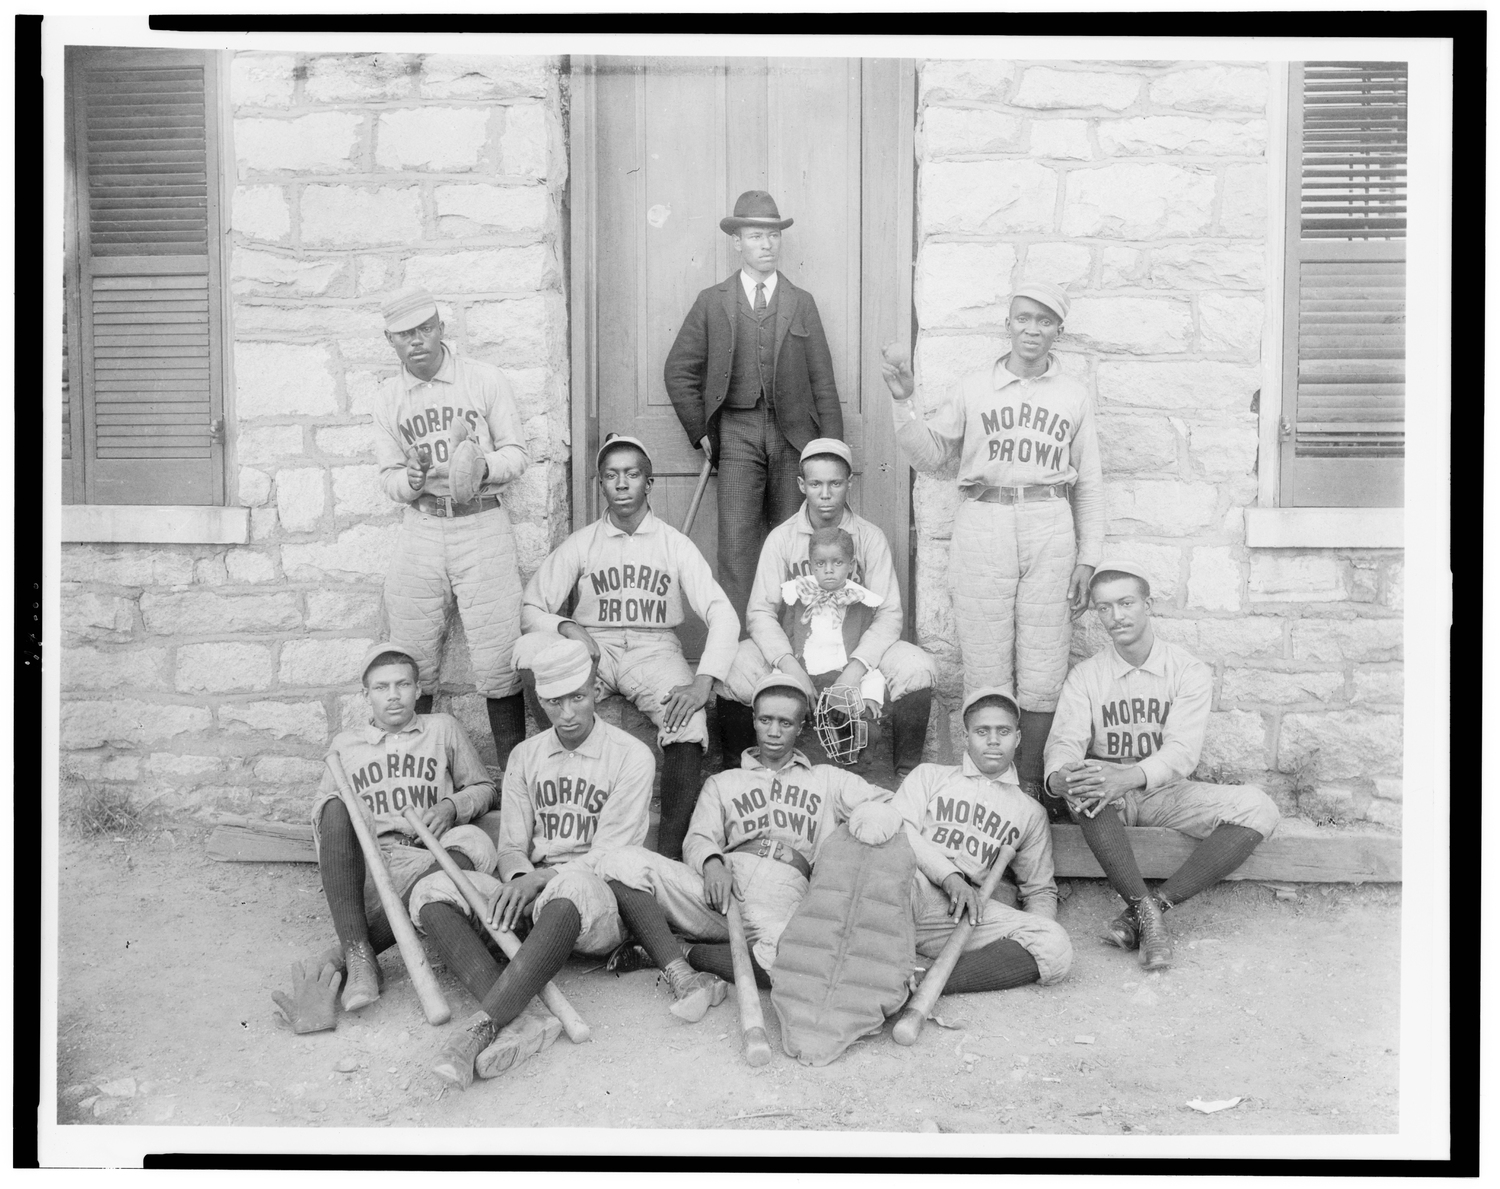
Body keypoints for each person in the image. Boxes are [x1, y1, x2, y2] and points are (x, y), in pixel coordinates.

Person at [879, 281, 1103, 798]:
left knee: (1045, 665)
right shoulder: (974, 385)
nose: (1032, 329)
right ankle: (985, 787)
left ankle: (1032, 790)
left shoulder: (1072, 395)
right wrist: (903, 402)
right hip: (984, 519)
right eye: (1023, 318)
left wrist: (1088, 559)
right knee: (985, 661)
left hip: (1049, 520)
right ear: (1008, 323)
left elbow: (1088, 484)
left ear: (1059, 332)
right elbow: (934, 460)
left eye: (1045, 321)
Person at [406, 637, 653, 1088]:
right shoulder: (526, 755)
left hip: (594, 904)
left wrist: (540, 879)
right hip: (533, 897)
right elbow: (512, 846)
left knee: (571, 886)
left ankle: (481, 1028)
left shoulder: (632, 756)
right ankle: (525, 1016)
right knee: (433, 889)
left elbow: (611, 856)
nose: (568, 713)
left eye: (578, 697)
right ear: (541, 700)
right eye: (554, 702)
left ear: (596, 688)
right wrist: (518, 879)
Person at [593, 671, 894, 1009]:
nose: (774, 731)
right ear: (754, 720)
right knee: (621, 861)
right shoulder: (724, 782)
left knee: (800, 961)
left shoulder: (828, 780)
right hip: (719, 891)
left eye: (785, 722)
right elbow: (698, 838)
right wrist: (711, 862)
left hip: (783, 896)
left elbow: (884, 805)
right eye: (766, 720)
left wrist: (856, 837)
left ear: (801, 726)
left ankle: (683, 952)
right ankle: (675, 968)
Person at [1044, 562, 1281, 971]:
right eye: (1104, 608)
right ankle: (1147, 916)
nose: (1116, 616)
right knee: (1084, 785)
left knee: (1259, 807)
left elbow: (1182, 753)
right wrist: (1061, 777)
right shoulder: (1087, 676)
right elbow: (1064, 743)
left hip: (1164, 792)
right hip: (1106, 797)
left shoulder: (1185, 669)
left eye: (1126, 603)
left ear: (1147, 604)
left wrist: (1129, 777)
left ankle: (1151, 908)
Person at [513, 434, 739, 861]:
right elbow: (530, 608)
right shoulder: (583, 542)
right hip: (593, 646)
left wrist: (702, 683)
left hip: (654, 650)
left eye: (632, 475)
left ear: (649, 483)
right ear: (601, 484)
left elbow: (722, 613)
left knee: (687, 724)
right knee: (527, 650)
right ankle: (559, 760)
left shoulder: (674, 543)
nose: (621, 483)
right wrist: (567, 627)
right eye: (612, 475)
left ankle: (669, 856)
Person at [273, 643, 498, 1032]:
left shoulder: (441, 728)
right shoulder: (346, 744)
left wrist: (450, 806)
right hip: (371, 866)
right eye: (381, 688)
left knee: (476, 841)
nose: (393, 695)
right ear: (366, 694)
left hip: (430, 861)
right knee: (335, 804)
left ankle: (353, 956)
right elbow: (322, 820)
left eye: (402, 684)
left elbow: (483, 787)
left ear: (417, 689)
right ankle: (359, 952)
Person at [664, 190, 844, 626]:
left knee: (794, 546)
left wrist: (832, 453)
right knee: (737, 547)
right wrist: (702, 431)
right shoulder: (713, 301)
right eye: (755, 235)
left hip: (792, 437)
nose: (766, 244)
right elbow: (678, 370)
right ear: (737, 242)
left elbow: (823, 381)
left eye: (773, 236)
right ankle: (739, 659)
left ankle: (793, 651)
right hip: (737, 435)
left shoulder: (801, 302)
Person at [371, 285, 529, 768]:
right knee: (411, 655)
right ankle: (412, 773)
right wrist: (410, 480)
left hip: (480, 521)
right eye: (404, 335)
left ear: (441, 328)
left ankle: (516, 781)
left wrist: (483, 467)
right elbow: (388, 477)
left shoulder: (483, 380)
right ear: (390, 341)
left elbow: (517, 455)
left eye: (424, 329)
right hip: (423, 526)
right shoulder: (389, 397)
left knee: (500, 656)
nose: (416, 341)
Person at [717, 438, 936, 781]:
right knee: (732, 665)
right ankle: (737, 775)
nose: (825, 494)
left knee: (916, 666)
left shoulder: (869, 537)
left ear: (849, 483)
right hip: (797, 653)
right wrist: (790, 666)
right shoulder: (783, 538)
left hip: (856, 652)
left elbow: (889, 613)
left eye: (835, 483)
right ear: (802, 485)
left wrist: (855, 670)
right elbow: (760, 612)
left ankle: (905, 777)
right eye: (816, 483)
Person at [892, 688, 1074, 996]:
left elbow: (1040, 890)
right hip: (910, 887)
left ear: (1017, 738)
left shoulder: (1029, 812)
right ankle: (882, 970)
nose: (992, 740)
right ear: (966, 737)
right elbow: (899, 830)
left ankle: (928, 983)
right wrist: (949, 877)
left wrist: (1025, 937)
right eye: (981, 731)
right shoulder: (929, 776)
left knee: (1054, 944)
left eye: (1003, 731)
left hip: (960, 914)